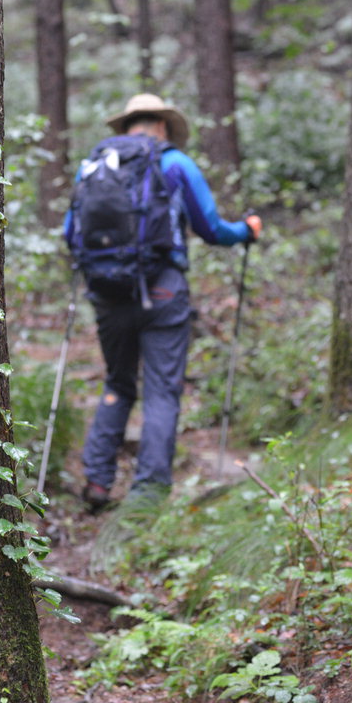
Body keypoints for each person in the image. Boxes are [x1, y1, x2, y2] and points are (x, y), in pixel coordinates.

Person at [64, 93, 262, 511]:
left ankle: (98, 482)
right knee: (161, 392)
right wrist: (246, 231)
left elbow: (70, 233)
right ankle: (148, 496)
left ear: (126, 127)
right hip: (163, 288)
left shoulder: (95, 166)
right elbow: (211, 229)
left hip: (107, 292)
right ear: (164, 126)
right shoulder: (174, 163)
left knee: (118, 383)